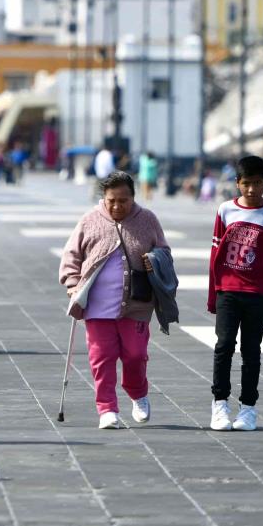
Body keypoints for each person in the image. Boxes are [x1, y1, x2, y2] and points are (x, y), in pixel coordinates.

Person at [60, 171, 171, 429]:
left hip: (137, 304)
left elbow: (164, 251)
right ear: (104, 198)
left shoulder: (147, 220)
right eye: (112, 200)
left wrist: (154, 259)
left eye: (124, 200)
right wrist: (72, 283)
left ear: (133, 197)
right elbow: (71, 255)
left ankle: (137, 392)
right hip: (97, 307)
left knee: (135, 355)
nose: (117, 206)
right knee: (102, 358)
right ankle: (107, 409)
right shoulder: (90, 220)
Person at [206, 156, 263, 432]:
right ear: (237, 183)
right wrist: (212, 295)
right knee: (224, 346)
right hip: (227, 291)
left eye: (257, 183)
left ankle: (248, 409)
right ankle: (219, 404)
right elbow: (215, 256)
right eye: (246, 184)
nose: (251, 189)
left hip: (258, 293)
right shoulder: (225, 210)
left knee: (252, 351)